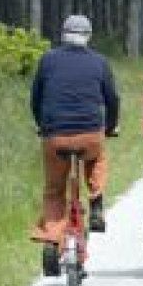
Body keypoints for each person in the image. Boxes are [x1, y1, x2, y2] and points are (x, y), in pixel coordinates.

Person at [30, 14, 118, 263]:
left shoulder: (47, 60)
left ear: (63, 35)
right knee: (97, 157)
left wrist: (42, 125)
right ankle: (96, 199)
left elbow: (35, 98)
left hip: (54, 136)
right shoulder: (100, 62)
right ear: (87, 37)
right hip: (90, 135)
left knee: (54, 190)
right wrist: (109, 127)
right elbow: (112, 99)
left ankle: (51, 238)